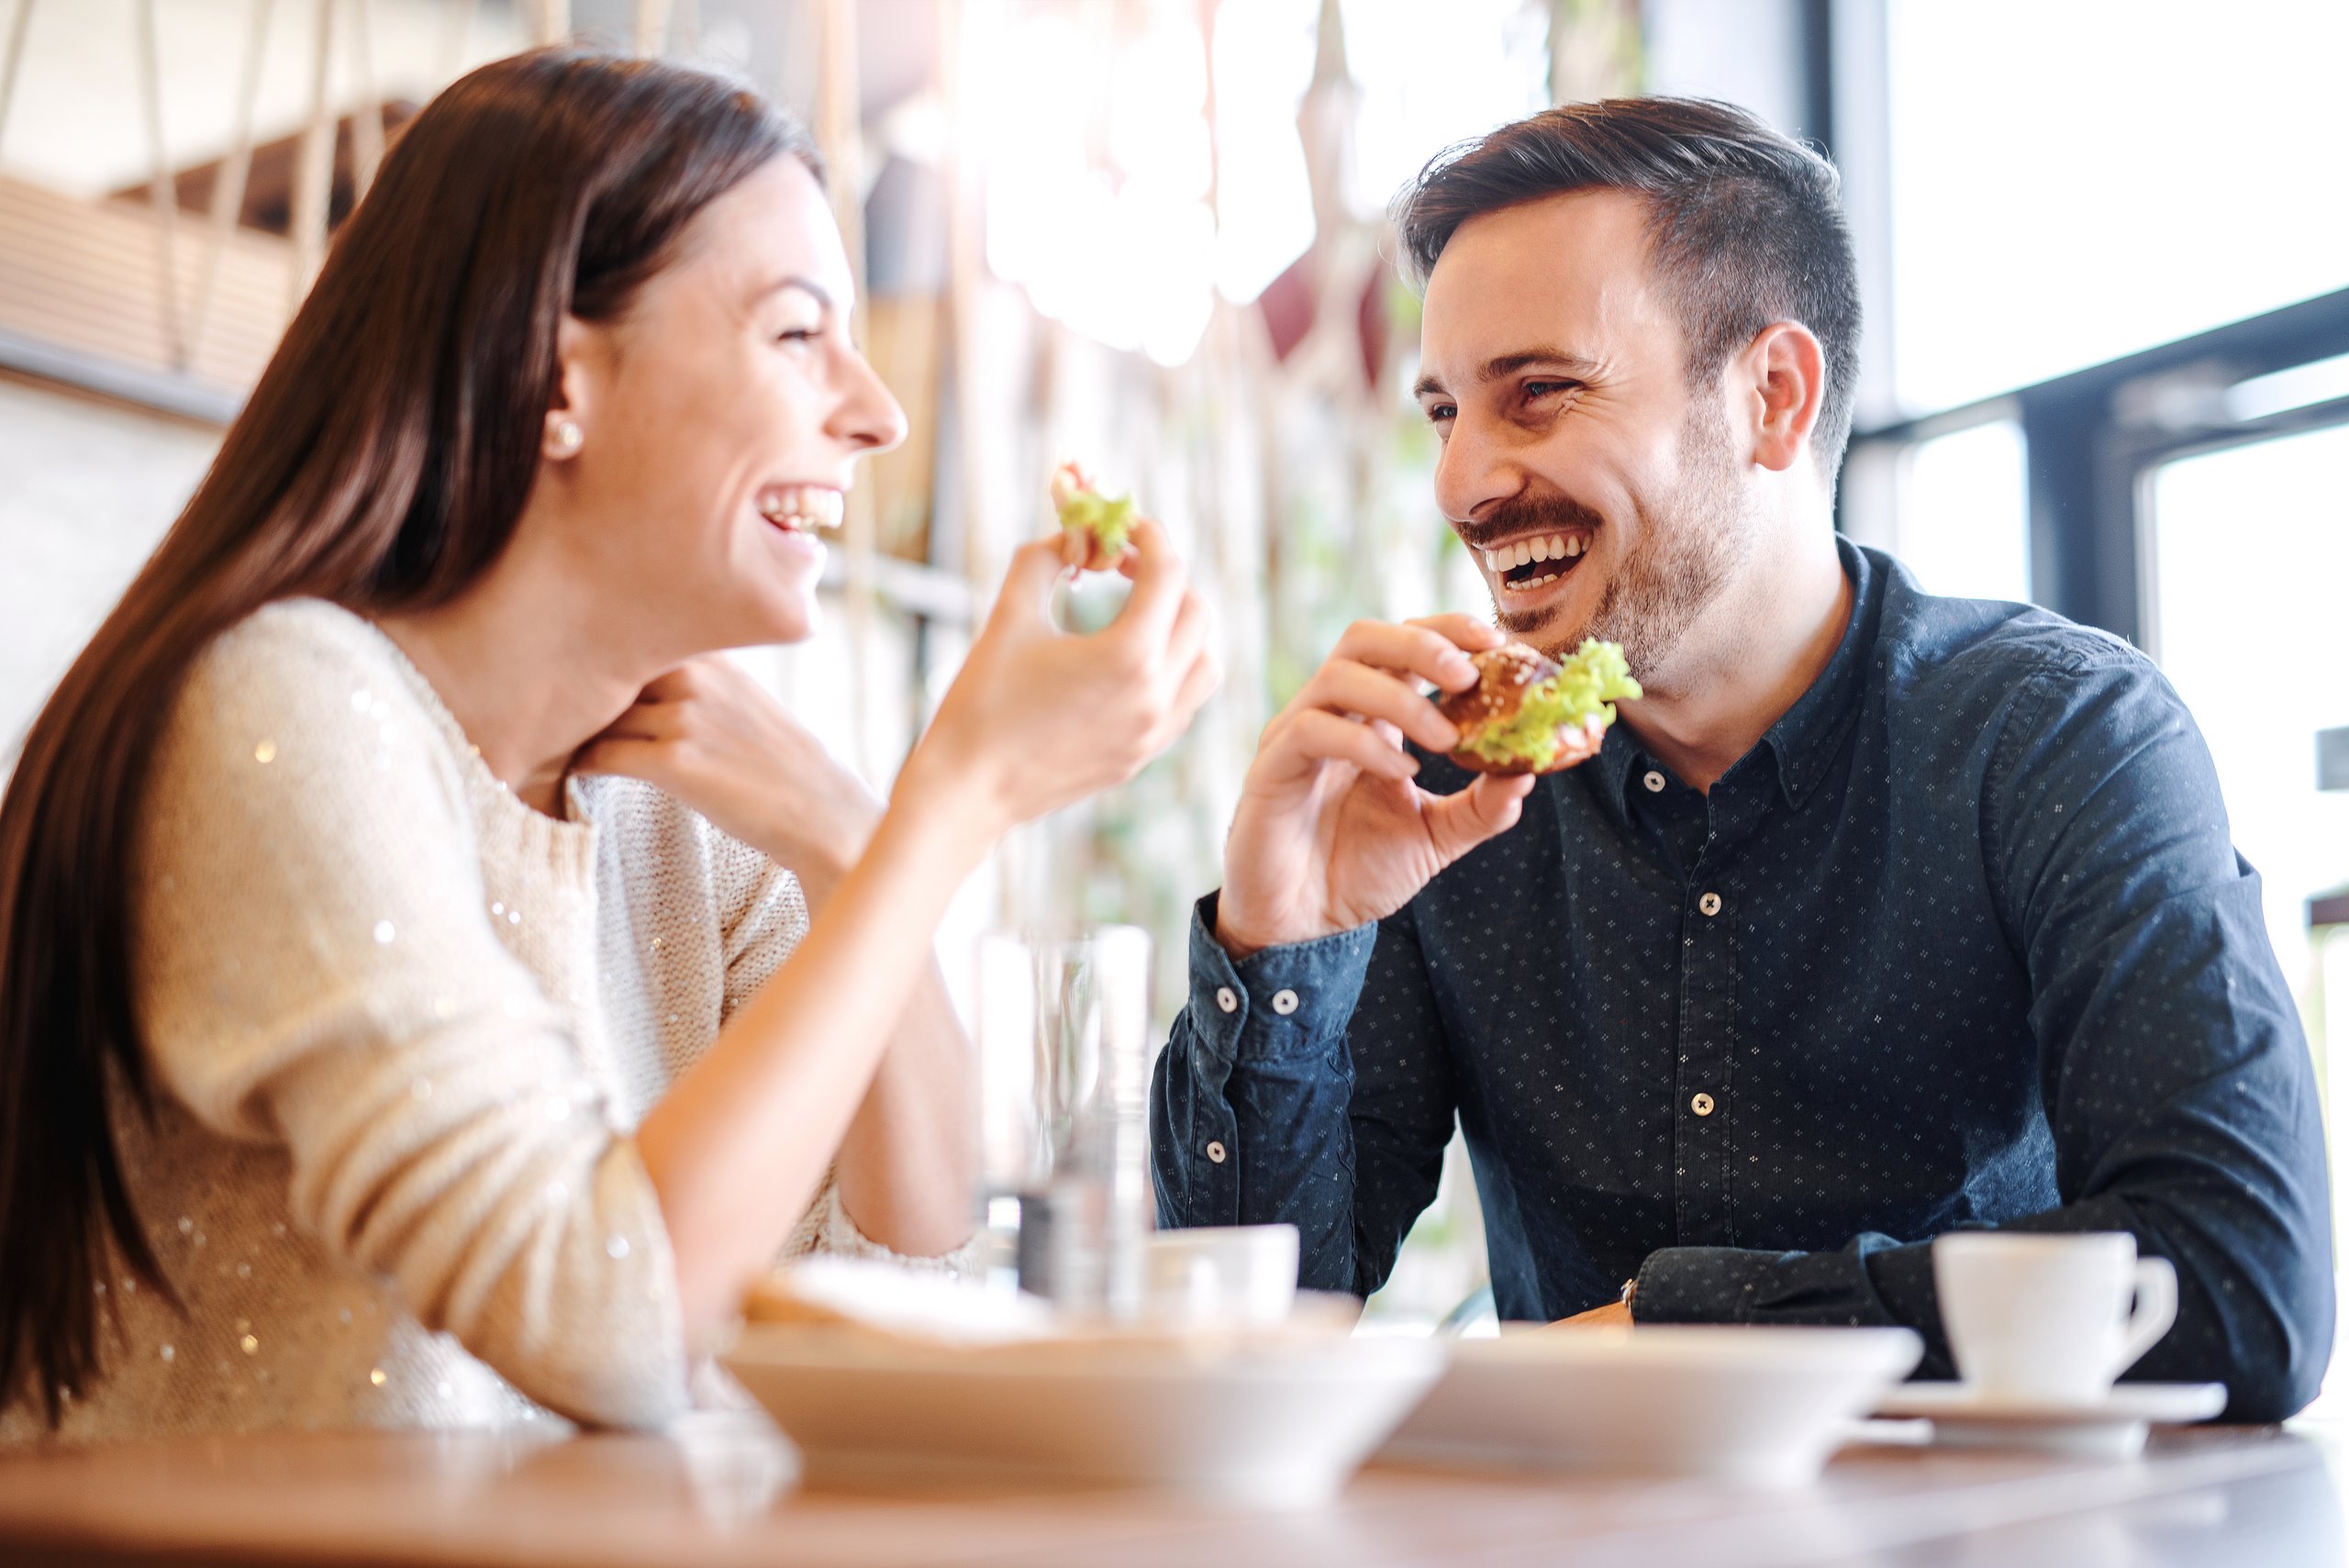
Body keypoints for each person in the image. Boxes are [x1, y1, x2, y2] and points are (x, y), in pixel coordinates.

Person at [0, 50, 1215, 1440]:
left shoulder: (689, 813)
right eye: (797, 332)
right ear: (557, 374)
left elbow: (914, 1279)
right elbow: (608, 1321)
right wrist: (955, 802)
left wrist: (852, 838)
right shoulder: (280, 707)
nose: (876, 412)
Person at [1151, 96, 2331, 1420]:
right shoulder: (1440, 793)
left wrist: (1689, 1322)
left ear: (1773, 396)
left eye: (1538, 393)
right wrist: (1278, 940)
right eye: (1444, 413)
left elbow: (2240, 1281)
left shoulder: (2059, 738)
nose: (1464, 482)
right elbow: (1236, 1341)